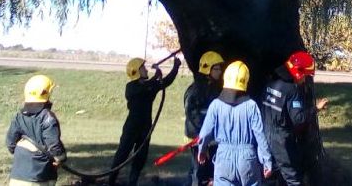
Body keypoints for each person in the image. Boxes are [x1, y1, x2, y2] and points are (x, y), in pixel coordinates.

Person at [108, 55, 181, 186]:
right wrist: (155, 77)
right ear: (136, 71)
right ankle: (111, 181)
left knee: (141, 157)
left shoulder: (150, 86)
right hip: (132, 127)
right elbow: (142, 89)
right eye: (143, 68)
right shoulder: (131, 87)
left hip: (146, 127)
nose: (146, 70)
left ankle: (132, 182)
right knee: (122, 155)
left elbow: (166, 82)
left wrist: (176, 67)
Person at [197, 61, 273, 186]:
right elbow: (260, 136)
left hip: (224, 158)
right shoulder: (251, 106)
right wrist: (267, 161)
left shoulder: (216, 105)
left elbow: (205, 133)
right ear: (245, 81)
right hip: (247, 159)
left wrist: (202, 150)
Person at [261, 51, 328, 186]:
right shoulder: (292, 90)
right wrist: (316, 108)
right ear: (298, 72)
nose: (305, 80)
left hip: (264, 133)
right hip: (281, 139)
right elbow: (298, 118)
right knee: (293, 178)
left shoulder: (270, 83)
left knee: (274, 173)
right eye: (305, 76)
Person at [6, 74, 67, 186]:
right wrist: (60, 159)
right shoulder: (48, 118)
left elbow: (10, 143)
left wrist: (23, 157)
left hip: (18, 174)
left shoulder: (19, 116)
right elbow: (53, 145)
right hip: (41, 176)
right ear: (46, 94)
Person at [184, 50, 225, 186]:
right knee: (199, 172)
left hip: (211, 139)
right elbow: (193, 115)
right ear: (208, 69)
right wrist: (203, 139)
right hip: (199, 139)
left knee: (209, 173)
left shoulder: (213, 88)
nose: (220, 72)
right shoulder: (196, 90)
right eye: (217, 68)